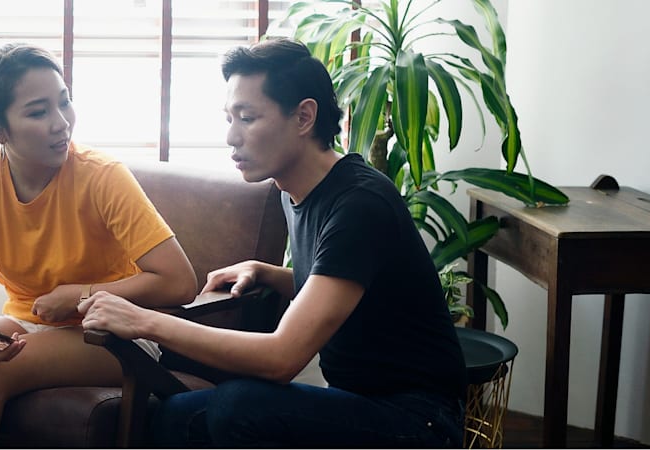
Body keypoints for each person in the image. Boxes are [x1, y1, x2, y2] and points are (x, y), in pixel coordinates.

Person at [77, 37, 466, 447]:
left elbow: (281, 358)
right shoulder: (294, 189)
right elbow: (343, 285)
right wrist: (269, 273)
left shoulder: (360, 204)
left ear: (303, 117)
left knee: (236, 406)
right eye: (229, 117)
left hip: (419, 419)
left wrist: (145, 321)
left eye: (247, 118)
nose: (231, 136)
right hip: (359, 400)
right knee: (174, 415)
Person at [0, 42, 198, 448]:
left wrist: (80, 296)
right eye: (38, 112)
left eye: (64, 102)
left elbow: (179, 282)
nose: (61, 123)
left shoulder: (102, 176)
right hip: (28, 324)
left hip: (115, 332)